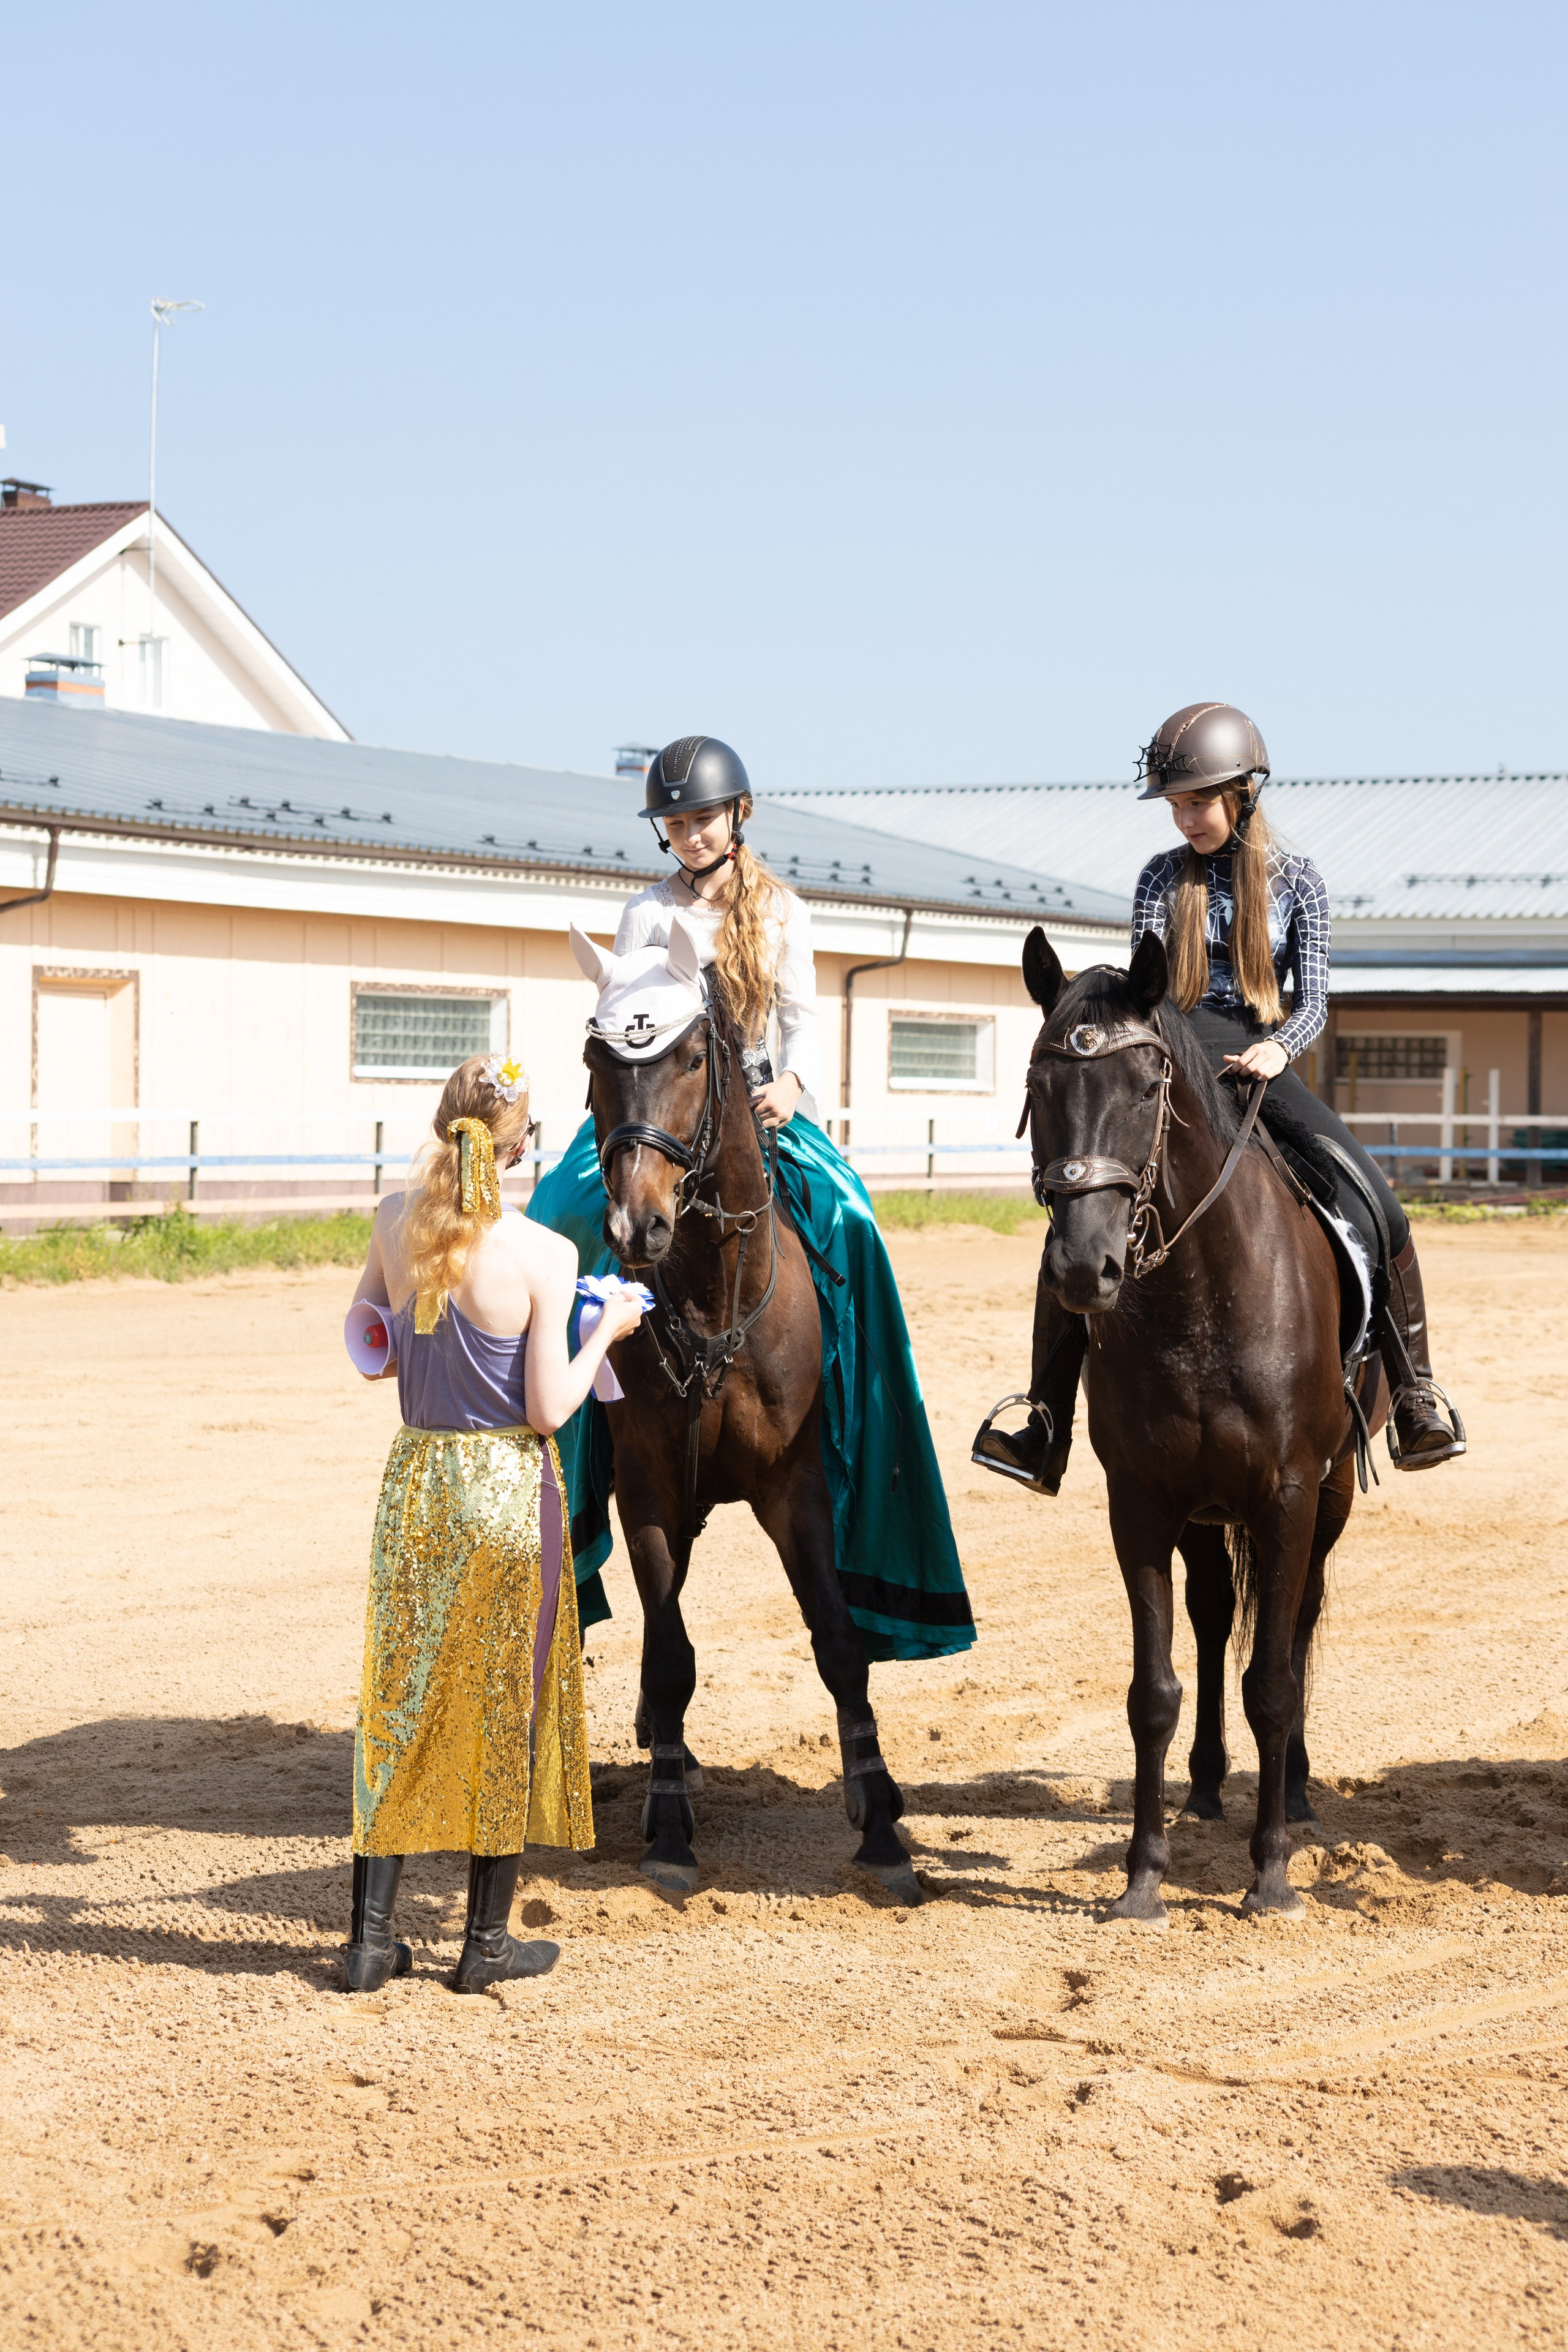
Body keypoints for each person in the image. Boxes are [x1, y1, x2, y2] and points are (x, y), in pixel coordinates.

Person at [527, 734, 976, 1665]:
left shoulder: (783, 914)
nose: (689, 835)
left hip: (758, 1112)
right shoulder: (644, 911)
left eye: (702, 819)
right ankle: (559, 1458)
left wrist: (796, 1086)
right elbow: (626, 1016)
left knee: (852, 1223)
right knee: (557, 1224)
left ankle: (854, 1406)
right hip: (657, 1111)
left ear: (740, 817)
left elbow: (806, 1018)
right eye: (675, 823)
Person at [974, 700, 1464, 1491]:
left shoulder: (1298, 881)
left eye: (1196, 801)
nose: (1184, 818)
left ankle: (1414, 1395)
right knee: (1078, 1218)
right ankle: (1044, 1418)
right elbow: (1146, 991)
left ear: (1244, 791)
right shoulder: (1159, 879)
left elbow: (1314, 999)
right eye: (1174, 805)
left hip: (1261, 1062)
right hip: (1172, 1066)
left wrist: (1278, 1047)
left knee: (1379, 1201)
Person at [343, 1052, 644, 1994]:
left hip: (421, 1482)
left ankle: (367, 1942)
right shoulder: (547, 1256)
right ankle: (481, 1946)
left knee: (397, 1701)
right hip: (512, 1491)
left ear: (445, 1131)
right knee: (504, 1708)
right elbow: (551, 1408)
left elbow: (368, 1340)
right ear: (522, 1152)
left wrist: (425, 1339)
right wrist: (606, 1330)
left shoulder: (397, 1222)